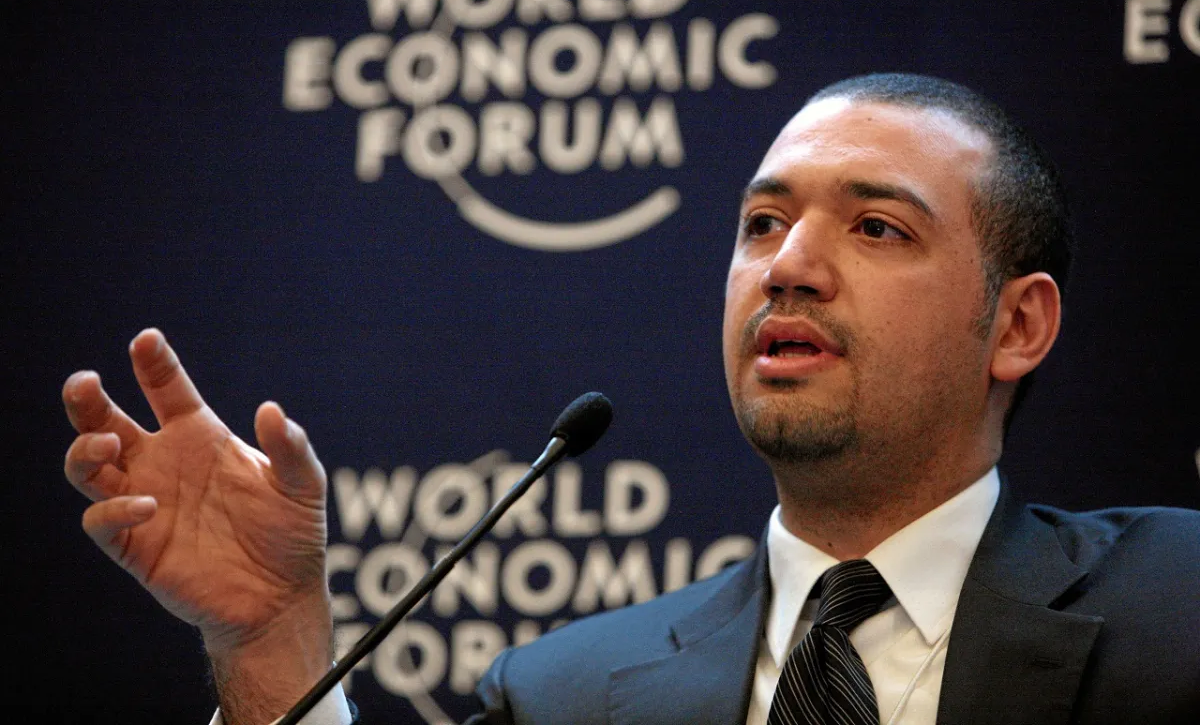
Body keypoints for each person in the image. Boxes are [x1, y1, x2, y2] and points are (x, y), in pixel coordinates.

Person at [62, 74, 1200, 725]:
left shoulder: (1178, 605)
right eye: (762, 223)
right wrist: (274, 642)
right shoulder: (560, 696)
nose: (788, 267)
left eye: (876, 227)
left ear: (1017, 325)